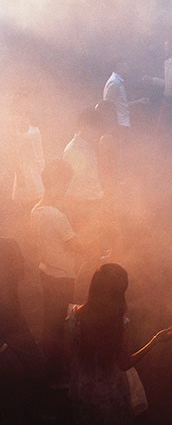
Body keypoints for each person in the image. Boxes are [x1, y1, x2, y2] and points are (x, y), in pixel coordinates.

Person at [66, 263, 172, 424]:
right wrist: (155, 340)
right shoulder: (119, 323)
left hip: (81, 390)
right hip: (110, 394)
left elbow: (68, 359)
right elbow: (124, 364)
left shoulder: (73, 315)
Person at [29, 159, 83, 382]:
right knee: (60, 325)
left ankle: (50, 368)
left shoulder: (35, 210)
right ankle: (56, 374)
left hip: (46, 272)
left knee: (49, 323)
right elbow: (76, 245)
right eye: (65, 184)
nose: (66, 189)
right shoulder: (56, 216)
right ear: (57, 183)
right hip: (62, 278)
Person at [0, 237, 45, 423]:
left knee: (35, 366)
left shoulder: (8, 246)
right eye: (17, 259)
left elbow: (20, 274)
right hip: (5, 332)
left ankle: (31, 415)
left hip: (15, 324)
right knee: (13, 377)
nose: (22, 262)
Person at [63, 107, 105, 243]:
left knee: (95, 240)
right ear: (84, 126)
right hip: (84, 205)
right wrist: (76, 215)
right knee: (87, 242)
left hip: (94, 201)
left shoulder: (88, 145)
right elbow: (70, 185)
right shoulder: (73, 150)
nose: (98, 133)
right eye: (95, 129)